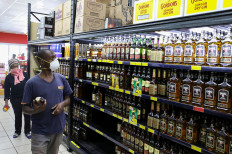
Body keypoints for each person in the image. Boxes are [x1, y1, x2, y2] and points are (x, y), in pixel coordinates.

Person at [22, 50, 72, 154]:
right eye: (52, 58)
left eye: (55, 57)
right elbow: (24, 108)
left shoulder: (61, 79)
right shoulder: (31, 83)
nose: (56, 61)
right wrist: (36, 110)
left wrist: (62, 104)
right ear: (42, 62)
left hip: (57, 129)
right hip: (40, 131)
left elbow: (68, 98)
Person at [4, 59, 31, 138]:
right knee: (18, 115)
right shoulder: (8, 77)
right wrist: (6, 102)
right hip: (15, 99)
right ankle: (17, 131)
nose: (15, 67)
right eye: (13, 66)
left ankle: (27, 131)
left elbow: (29, 86)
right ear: (10, 67)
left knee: (27, 115)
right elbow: (7, 90)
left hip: (26, 98)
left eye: (16, 66)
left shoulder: (24, 74)